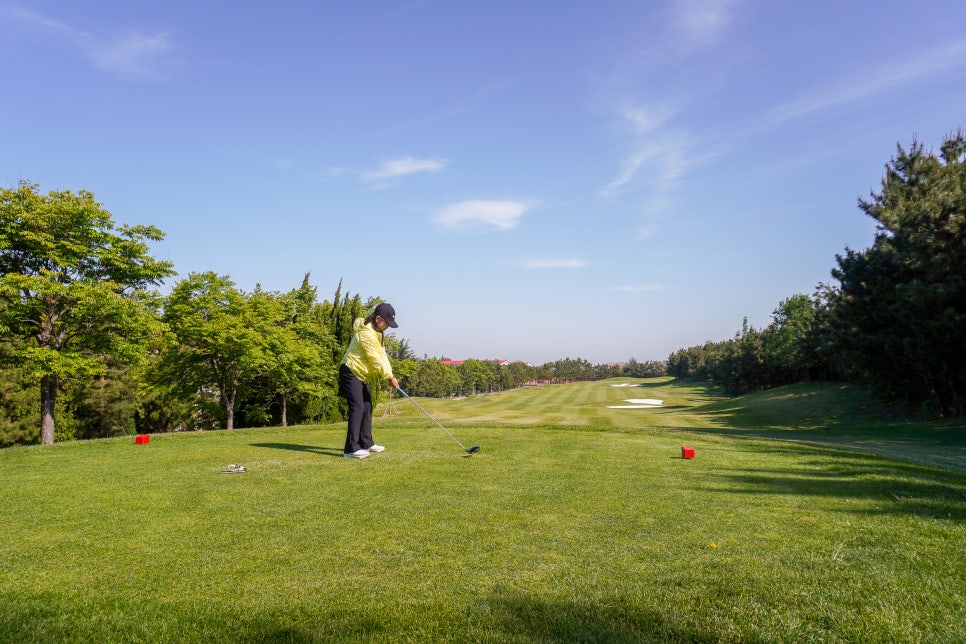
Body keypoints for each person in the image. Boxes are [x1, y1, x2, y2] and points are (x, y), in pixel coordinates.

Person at [339, 302, 400, 458]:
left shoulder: (377, 334)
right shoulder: (366, 334)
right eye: (387, 323)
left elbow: (383, 357)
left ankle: (366, 443)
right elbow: (374, 359)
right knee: (358, 407)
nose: (387, 326)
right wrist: (389, 377)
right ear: (378, 319)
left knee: (367, 406)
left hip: (361, 375)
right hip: (350, 372)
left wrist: (390, 375)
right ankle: (351, 449)